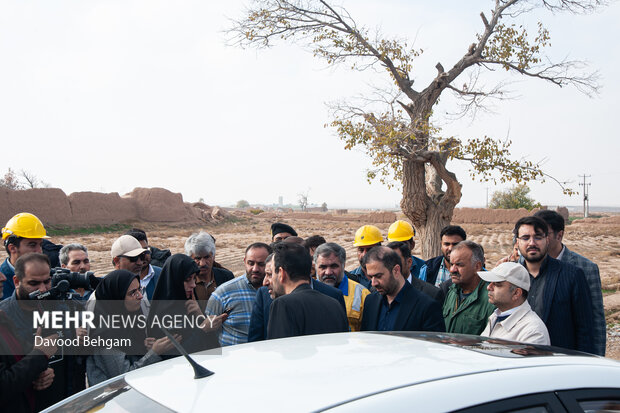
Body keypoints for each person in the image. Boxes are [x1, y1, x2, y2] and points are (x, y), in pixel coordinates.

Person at [0, 253, 81, 410]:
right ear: (16, 282)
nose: (43, 289)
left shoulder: (60, 307)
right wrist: (36, 366)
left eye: (47, 281)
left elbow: (73, 360)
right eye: (34, 283)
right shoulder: (4, 318)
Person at [513, 216, 594, 353]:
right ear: (517, 242)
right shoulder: (510, 276)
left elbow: (585, 329)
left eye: (538, 237)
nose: (532, 243)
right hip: (518, 360)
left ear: (547, 240)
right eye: (526, 238)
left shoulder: (571, 275)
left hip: (559, 363)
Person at [533, 210, 605, 356]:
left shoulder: (584, 268)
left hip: (566, 352)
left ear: (559, 235)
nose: (536, 241)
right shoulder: (524, 264)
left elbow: (595, 320)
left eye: (542, 235)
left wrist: (596, 359)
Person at [86, 270, 177, 386]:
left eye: (139, 289)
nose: (140, 296)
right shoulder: (105, 335)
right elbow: (123, 377)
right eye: (132, 293)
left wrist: (147, 347)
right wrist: (155, 353)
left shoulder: (130, 320)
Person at [248, 253, 346, 342]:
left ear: (281, 273)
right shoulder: (334, 303)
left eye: (271, 274)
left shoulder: (283, 304)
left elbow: (279, 349)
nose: (265, 282)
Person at [147, 254, 226, 355]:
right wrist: (203, 329)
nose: (193, 284)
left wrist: (199, 315)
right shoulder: (164, 314)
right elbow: (175, 355)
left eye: (194, 279)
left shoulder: (190, 304)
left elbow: (212, 345)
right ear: (175, 280)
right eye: (187, 280)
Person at [361, 247, 445, 333]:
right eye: (371, 277)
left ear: (396, 270)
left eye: (378, 276)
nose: (373, 283)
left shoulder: (427, 306)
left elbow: (433, 344)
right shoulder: (370, 301)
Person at [206, 243, 272, 346]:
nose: (255, 269)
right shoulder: (223, 292)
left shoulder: (279, 291)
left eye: (261, 264)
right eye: (251, 263)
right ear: (244, 261)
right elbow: (207, 330)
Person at [479, 262, 550, 345]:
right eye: (490, 282)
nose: (489, 287)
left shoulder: (533, 331)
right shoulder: (495, 316)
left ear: (516, 293)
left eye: (497, 284)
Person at [314, 243, 370, 332]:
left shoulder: (362, 294)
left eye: (334, 266)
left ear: (344, 265)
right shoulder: (307, 291)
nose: (328, 272)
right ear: (316, 267)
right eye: (323, 267)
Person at [442, 241, 495, 335]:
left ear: (477, 266)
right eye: (451, 264)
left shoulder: (491, 298)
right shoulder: (452, 291)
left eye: (459, 265)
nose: (452, 270)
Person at [1, 213, 48, 300]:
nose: (39, 251)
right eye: (32, 245)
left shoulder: (49, 275)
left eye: (40, 245)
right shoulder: (2, 282)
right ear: (12, 248)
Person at [184, 232, 234, 312]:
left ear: (214, 256)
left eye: (207, 257)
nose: (202, 263)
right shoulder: (184, 282)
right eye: (197, 258)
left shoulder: (226, 277)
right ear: (189, 258)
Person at [125, 229, 162, 301]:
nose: (143, 256)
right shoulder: (113, 282)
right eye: (137, 252)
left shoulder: (163, 276)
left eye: (145, 250)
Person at [348, 225, 382, 289]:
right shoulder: (350, 279)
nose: (364, 254)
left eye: (369, 250)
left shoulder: (390, 278)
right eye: (361, 250)